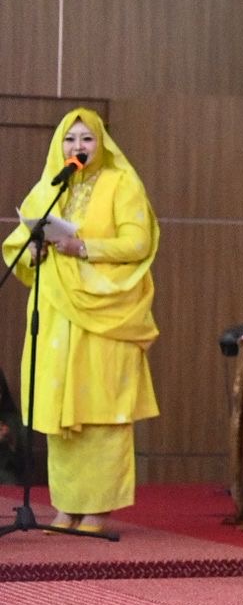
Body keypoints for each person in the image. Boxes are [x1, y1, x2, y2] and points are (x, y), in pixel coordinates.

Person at [2, 108, 160, 534]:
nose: (77, 147)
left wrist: (83, 246)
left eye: (86, 139)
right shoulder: (51, 186)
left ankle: (97, 510)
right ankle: (66, 506)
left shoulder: (121, 184)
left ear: (102, 144)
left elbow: (138, 240)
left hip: (105, 314)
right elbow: (18, 239)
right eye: (70, 140)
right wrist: (33, 249)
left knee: (99, 410)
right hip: (55, 314)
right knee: (60, 412)